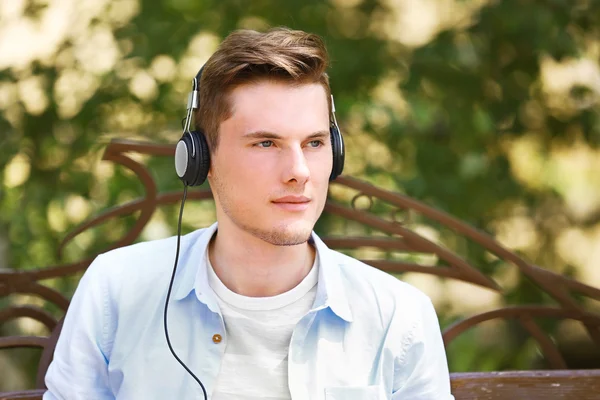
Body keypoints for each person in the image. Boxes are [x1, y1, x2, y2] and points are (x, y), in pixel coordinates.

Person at [43, 27, 455, 400]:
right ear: (201, 158)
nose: (298, 172)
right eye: (266, 144)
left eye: (314, 143)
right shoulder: (115, 290)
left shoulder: (398, 315)